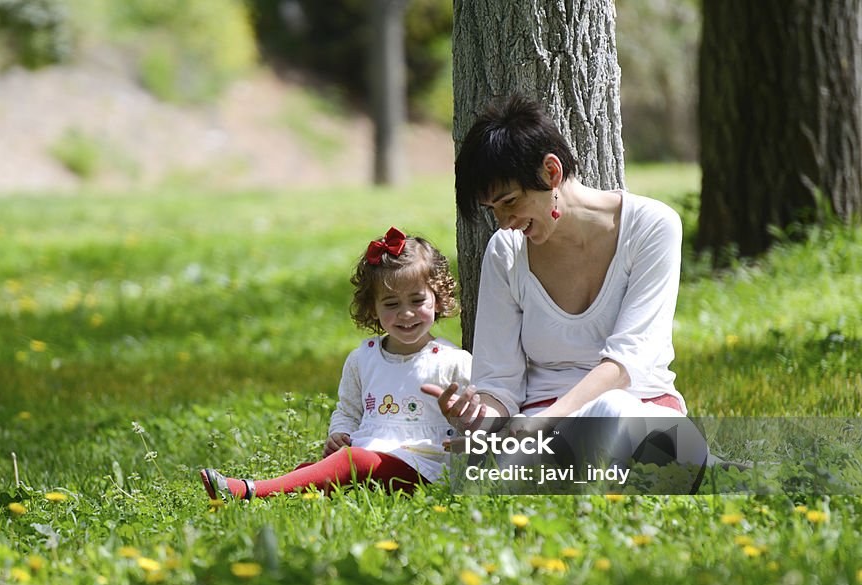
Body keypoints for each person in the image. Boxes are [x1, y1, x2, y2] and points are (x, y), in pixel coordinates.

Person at [421, 95, 708, 481]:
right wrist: (478, 419)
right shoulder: (506, 252)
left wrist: (543, 427)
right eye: (493, 210)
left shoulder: (652, 227)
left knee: (611, 413)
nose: (504, 221)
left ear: (551, 172)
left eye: (510, 202)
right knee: (468, 465)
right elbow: (499, 384)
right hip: (538, 430)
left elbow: (628, 363)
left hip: (631, 410)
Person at [201, 227, 472, 501]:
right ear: (373, 309)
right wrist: (340, 433)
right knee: (314, 471)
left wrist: (462, 420)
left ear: (438, 299)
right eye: (391, 304)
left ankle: (251, 491)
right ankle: (292, 490)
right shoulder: (363, 358)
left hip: (424, 466)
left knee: (353, 462)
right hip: (369, 457)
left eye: (417, 300)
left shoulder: (452, 360)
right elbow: (348, 410)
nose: (406, 313)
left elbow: (479, 420)